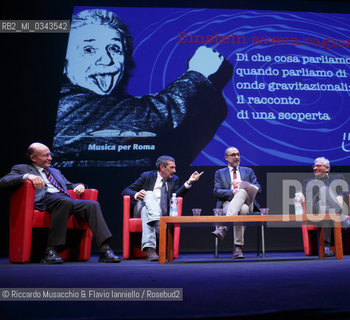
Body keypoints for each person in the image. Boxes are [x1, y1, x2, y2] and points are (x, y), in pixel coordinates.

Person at [53, 9, 232, 168]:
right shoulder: (68, 105)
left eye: (114, 48)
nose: (107, 60)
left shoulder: (116, 109)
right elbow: (157, 113)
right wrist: (197, 72)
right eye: (89, 49)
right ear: (64, 63)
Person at [0, 142, 121, 264]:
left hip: (64, 199)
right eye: (45, 155)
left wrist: (79, 185)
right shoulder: (22, 168)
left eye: (50, 155)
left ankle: (104, 250)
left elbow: (69, 185)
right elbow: (4, 181)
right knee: (64, 202)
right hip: (44, 199)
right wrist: (27, 176)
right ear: (33, 158)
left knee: (92, 205)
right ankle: (50, 250)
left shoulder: (55, 171)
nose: (50, 158)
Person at [122, 155, 203, 261]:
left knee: (147, 212)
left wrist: (189, 183)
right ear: (162, 168)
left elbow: (176, 196)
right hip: (141, 207)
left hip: (152, 213)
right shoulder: (147, 176)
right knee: (150, 194)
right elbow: (126, 191)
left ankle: (150, 249)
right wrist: (137, 194)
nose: (174, 170)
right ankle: (158, 224)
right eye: (172, 167)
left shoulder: (174, 180)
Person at [300, 157, 350, 257]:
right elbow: (302, 194)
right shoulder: (308, 182)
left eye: (318, 166)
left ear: (327, 168)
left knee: (326, 209)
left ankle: (326, 247)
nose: (315, 168)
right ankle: (343, 220)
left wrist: (340, 196)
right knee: (324, 190)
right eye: (314, 166)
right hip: (315, 209)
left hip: (331, 208)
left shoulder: (338, 178)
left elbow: (348, 191)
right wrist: (299, 196)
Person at [212, 147, 261, 259]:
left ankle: (223, 227)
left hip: (248, 201)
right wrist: (232, 192)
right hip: (228, 203)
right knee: (242, 210)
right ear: (226, 158)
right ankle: (238, 247)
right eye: (233, 155)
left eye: (238, 154)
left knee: (242, 190)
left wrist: (244, 184)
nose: (237, 157)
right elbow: (216, 191)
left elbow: (259, 188)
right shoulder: (219, 173)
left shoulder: (248, 171)